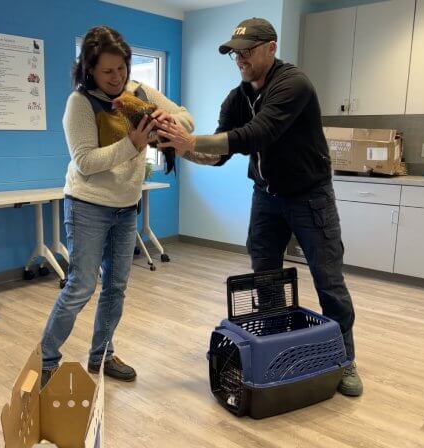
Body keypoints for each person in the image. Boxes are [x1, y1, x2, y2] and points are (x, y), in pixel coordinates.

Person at [156, 18, 362, 397]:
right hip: (266, 197)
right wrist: (181, 148)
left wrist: (192, 139)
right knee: (265, 275)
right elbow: (220, 154)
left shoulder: (293, 84)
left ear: (271, 47)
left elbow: (257, 134)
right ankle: (279, 348)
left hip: (310, 196)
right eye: (236, 53)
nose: (240, 59)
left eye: (248, 51)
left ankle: (345, 359)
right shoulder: (238, 98)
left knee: (328, 280)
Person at [41, 25, 194, 385]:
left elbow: (187, 118)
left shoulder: (139, 92)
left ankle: (102, 355)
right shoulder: (80, 102)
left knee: (116, 286)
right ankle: (47, 360)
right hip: (87, 205)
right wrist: (134, 143)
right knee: (81, 286)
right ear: (90, 69)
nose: (116, 77)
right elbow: (85, 162)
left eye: (122, 68)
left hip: (126, 206)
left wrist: (165, 123)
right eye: (107, 71)